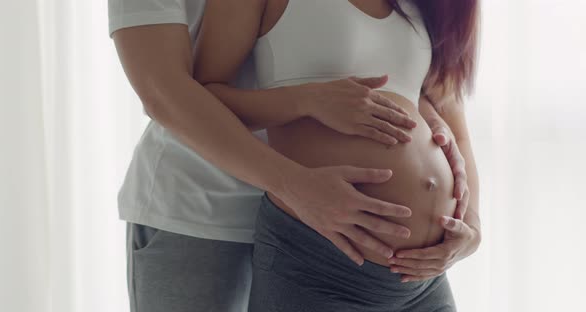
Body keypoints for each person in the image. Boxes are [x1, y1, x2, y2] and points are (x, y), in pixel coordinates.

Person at [108, 0, 478, 311]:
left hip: (358, 240)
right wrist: (295, 173)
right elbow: (164, 93)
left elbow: (429, 92)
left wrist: (467, 214)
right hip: (205, 209)